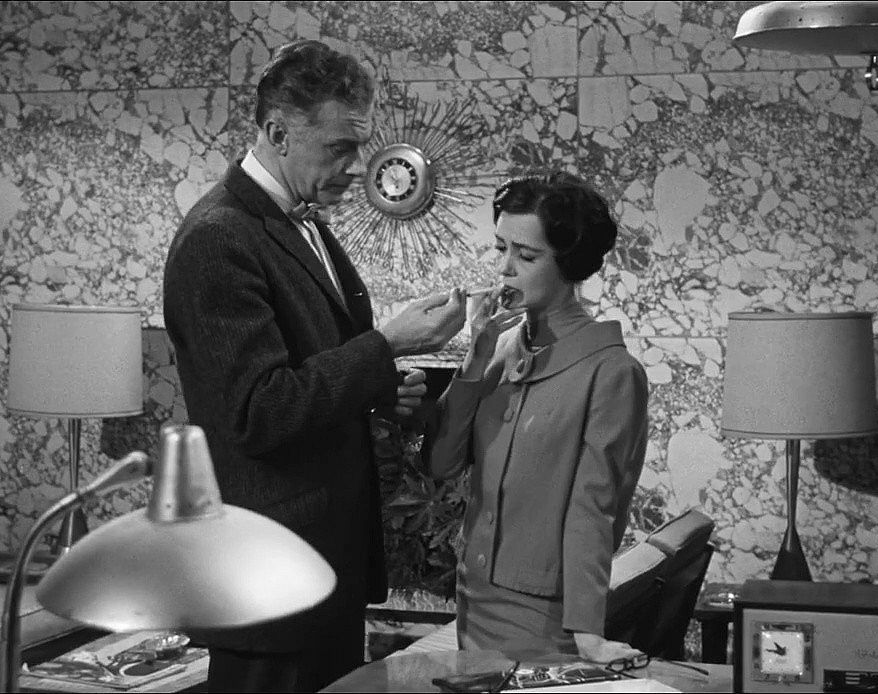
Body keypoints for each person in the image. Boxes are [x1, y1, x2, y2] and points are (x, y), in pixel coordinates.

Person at [163, 40, 465, 693]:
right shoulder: (219, 237)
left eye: (358, 147)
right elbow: (256, 412)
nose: (354, 167)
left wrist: (384, 389)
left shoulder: (304, 219)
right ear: (278, 133)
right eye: (339, 148)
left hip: (323, 565)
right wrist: (386, 345)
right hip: (268, 579)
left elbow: (315, 364)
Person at [422, 171, 650, 663]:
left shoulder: (611, 373)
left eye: (526, 256)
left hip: (545, 618)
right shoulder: (503, 346)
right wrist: (475, 359)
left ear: (569, 263)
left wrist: (588, 633)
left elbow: (594, 507)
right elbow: (441, 464)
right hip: (473, 598)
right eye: (500, 248)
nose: (505, 269)